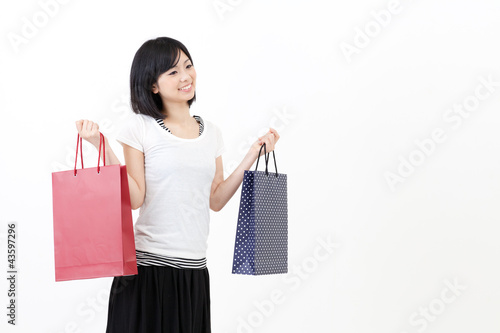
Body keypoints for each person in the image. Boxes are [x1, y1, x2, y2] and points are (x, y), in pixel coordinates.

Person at [75, 36, 280, 333]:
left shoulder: (212, 133)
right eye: (172, 72)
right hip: (148, 271)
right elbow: (134, 198)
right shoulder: (141, 128)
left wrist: (251, 155)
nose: (185, 76)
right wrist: (102, 146)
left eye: (188, 65)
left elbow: (216, 199)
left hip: (194, 272)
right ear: (152, 85)